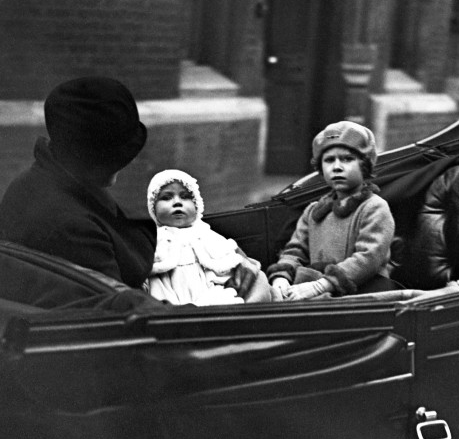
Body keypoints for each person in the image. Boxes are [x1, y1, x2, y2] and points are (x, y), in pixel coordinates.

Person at [0, 76, 259, 299]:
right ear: (96, 158)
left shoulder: (39, 184)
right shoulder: (69, 226)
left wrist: (225, 254)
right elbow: (122, 311)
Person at [266, 120, 396, 300]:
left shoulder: (374, 207)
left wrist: (321, 285)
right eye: (329, 160)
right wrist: (282, 277)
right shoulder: (314, 211)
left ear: (365, 165)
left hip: (364, 292)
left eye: (347, 159)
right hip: (317, 288)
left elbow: (369, 258)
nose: (337, 167)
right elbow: (295, 251)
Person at [145, 169, 272, 305]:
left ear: (196, 205)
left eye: (185, 196)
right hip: (168, 297)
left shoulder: (208, 235)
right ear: (153, 208)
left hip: (212, 296)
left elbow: (240, 263)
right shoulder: (153, 239)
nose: (177, 202)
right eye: (166, 197)